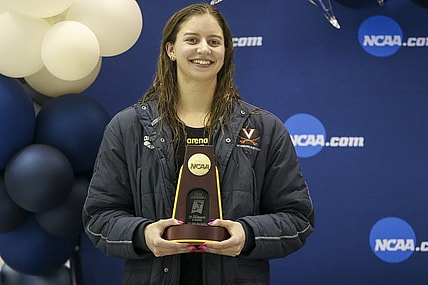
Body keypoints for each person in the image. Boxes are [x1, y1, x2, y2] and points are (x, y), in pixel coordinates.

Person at [83, 3, 315, 285]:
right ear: (171, 50)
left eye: (214, 42)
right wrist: (143, 235)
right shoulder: (127, 126)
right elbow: (99, 217)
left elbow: (297, 218)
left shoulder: (264, 128)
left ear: (226, 52)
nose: (204, 49)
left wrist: (247, 234)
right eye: (192, 40)